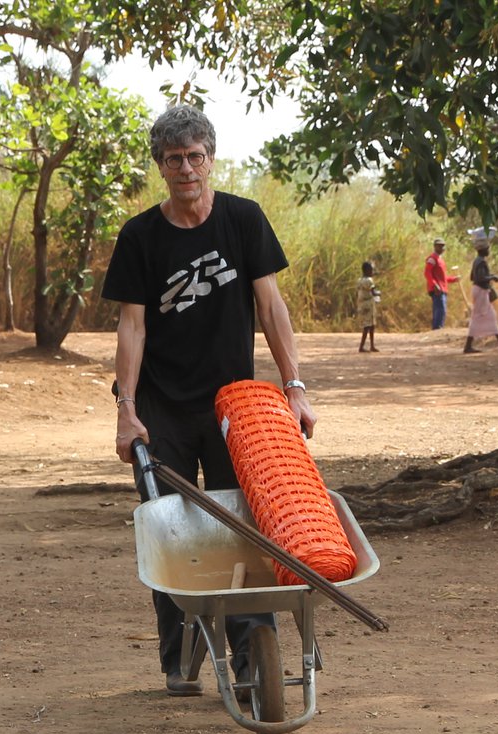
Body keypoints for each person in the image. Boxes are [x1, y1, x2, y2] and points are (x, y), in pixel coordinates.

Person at [102, 105, 317, 699]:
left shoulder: (243, 220)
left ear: (211, 159)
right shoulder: (141, 236)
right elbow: (132, 328)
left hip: (236, 409)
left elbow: (271, 308)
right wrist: (126, 410)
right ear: (161, 167)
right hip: (162, 409)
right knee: (169, 534)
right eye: (174, 160)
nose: (187, 169)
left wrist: (293, 388)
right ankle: (182, 657)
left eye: (196, 156)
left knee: (249, 528)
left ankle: (252, 657)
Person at [464, 241, 498, 353]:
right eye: (487, 248)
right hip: (481, 291)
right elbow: (480, 278)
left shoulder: (477, 261)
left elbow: (472, 277)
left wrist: (488, 277)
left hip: (479, 291)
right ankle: (468, 346)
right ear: (483, 250)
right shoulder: (481, 262)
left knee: (490, 316)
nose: (489, 250)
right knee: (478, 317)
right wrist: (492, 277)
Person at [424, 238, 459, 330]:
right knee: (440, 309)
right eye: (439, 246)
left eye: (443, 246)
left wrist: (453, 279)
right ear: (435, 247)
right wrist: (434, 284)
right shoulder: (432, 258)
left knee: (440, 309)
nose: (442, 248)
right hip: (437, 289)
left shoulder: (440, 260)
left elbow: (443, 278)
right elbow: (427, 273)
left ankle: (438, 328)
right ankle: (437, 329)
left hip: (442, 288)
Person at [357, 260, 380, 352]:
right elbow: (373, 292)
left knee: (368, 325)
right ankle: (364, 346)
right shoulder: (369, 280)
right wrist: (379, 294)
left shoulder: (359, 280)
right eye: (371, 270)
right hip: (369, 304)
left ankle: (370, 346)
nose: (372, 272)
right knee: (369, 326)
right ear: (367, 270)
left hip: (362, 304)